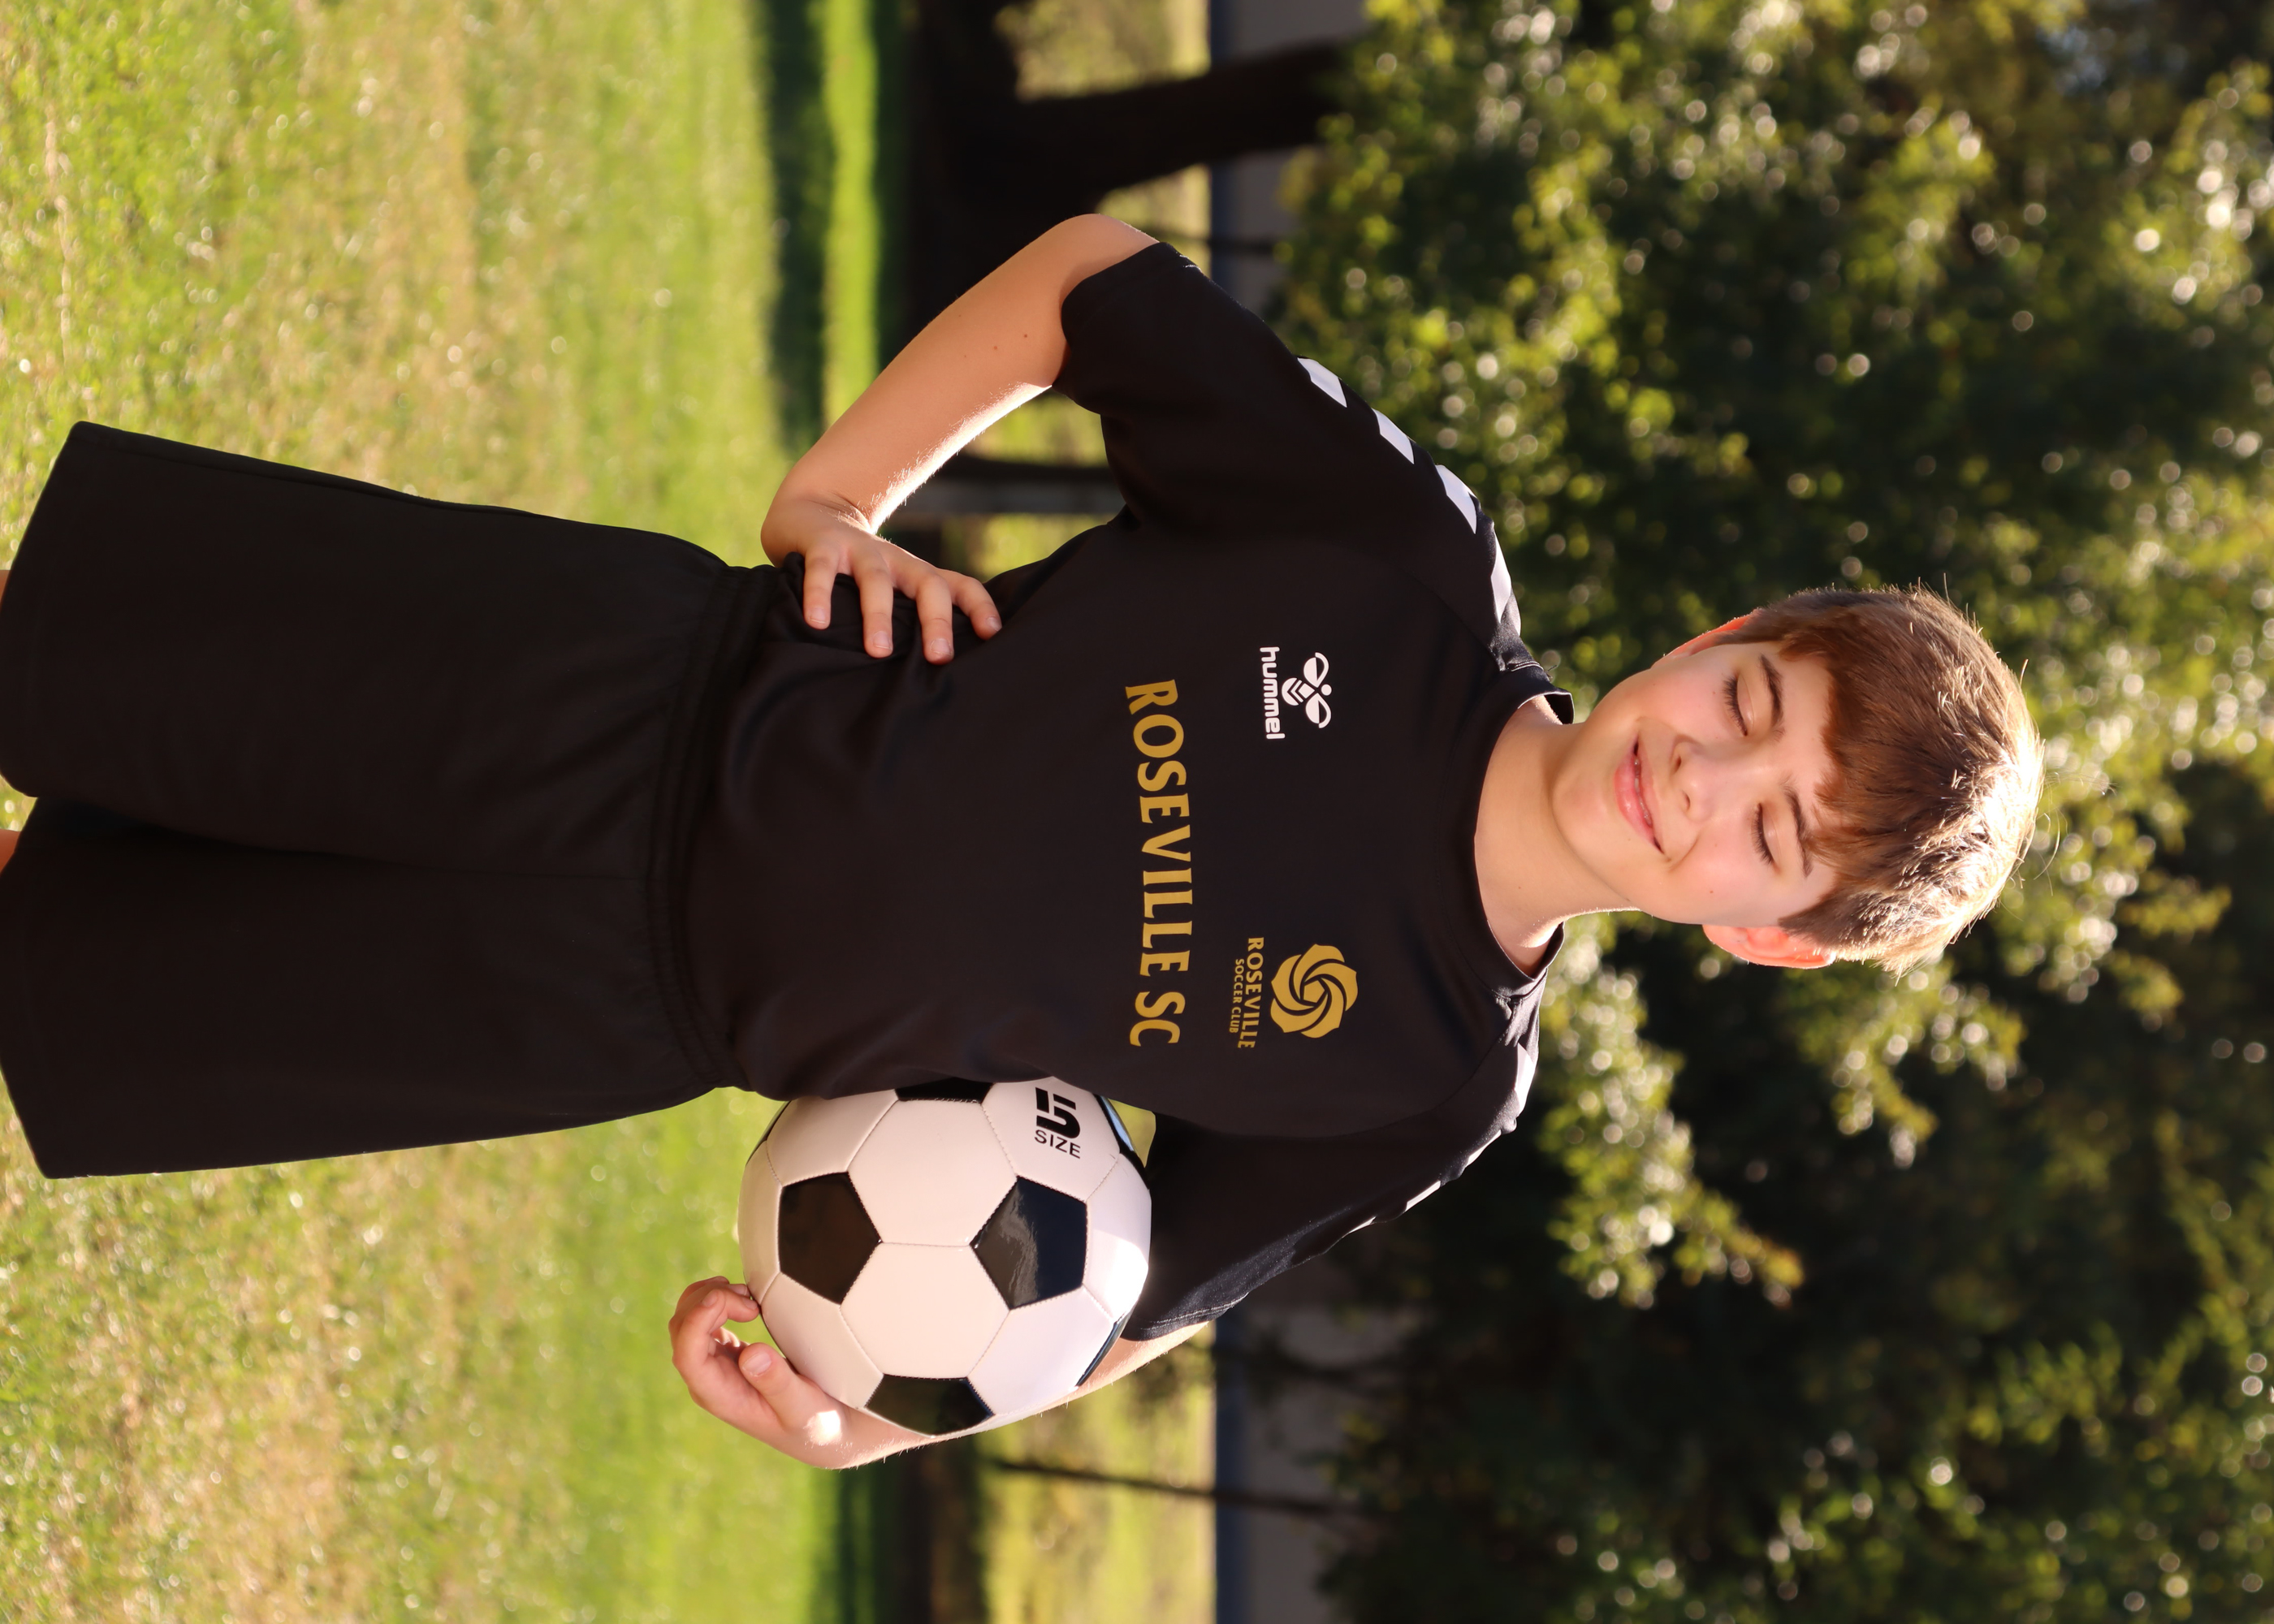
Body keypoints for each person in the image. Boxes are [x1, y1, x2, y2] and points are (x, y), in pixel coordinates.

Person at [0, 216, 2040, 1468]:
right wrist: (835, 501)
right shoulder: (1400, 566)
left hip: (610, 1004)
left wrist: (864, 1408)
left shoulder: (1429, 1078)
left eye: (1773, 832)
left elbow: (1115, 1306)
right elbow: (1092, 286)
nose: (1701, 776)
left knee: (49, 977)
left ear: (1773, 937)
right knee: (44, 660)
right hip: (611, 683)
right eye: (1745, 705)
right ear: (1718, 637)